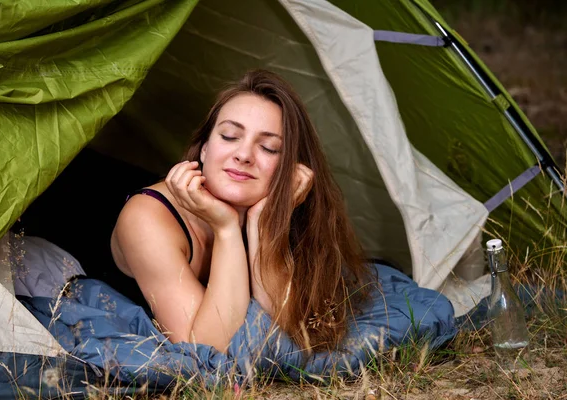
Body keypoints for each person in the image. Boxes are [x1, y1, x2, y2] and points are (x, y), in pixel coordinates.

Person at [110, 70, 374, 354]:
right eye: (229, 136)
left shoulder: (278, 207)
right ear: (204, 148)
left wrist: (263, 223)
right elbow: (205, 347)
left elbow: (292, 326)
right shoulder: (147, 218)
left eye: (269, 148)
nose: (244, 155)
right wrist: (225, 227)